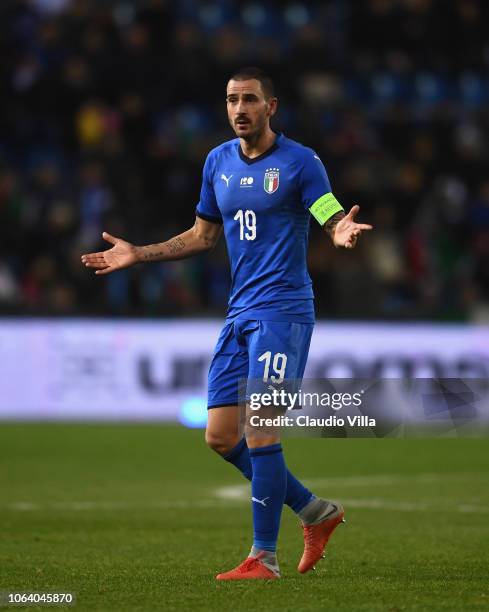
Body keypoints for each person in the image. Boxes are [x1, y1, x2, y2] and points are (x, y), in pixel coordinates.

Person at [81, 67, 372, 580]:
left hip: (283, 311)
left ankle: (263, 557)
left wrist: (340, 229)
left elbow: (327, 212)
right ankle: (315, 512)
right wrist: (139, 253)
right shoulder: (217, 162)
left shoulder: (301, 163)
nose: (240, 109)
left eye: (250, 100)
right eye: (232, 100)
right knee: (219, 435)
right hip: (240, 312)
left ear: (271, 106)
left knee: (260, 428)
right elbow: (201, 236)